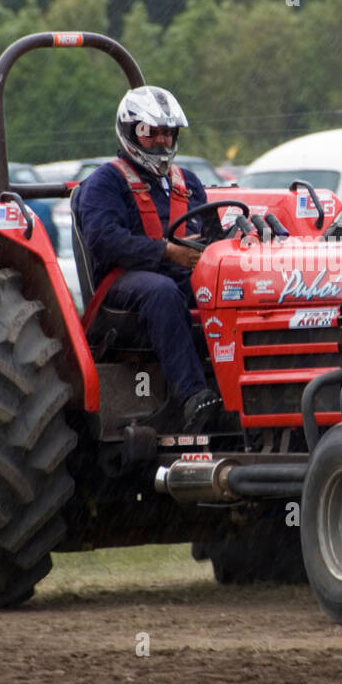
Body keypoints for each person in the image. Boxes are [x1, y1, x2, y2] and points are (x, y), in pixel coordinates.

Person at [76, 86, 223, 432]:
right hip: (123, 283)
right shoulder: (104, 182)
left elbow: (215, 233)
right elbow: (104, 240)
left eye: (166, 133)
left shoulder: (188, 181)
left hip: (182, 274)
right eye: (149, 132)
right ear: (130, 133)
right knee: (161, 292)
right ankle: (194, 397)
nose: (160, 141)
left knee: (229, 288)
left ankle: (242, 385)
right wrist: (167, 251)